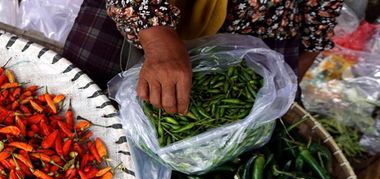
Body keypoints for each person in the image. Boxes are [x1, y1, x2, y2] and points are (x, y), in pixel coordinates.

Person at [63, 0, 344, 115]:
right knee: (83, 112)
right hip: (142, 11)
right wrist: (155, 35)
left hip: (259, 25)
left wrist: (304, 55)